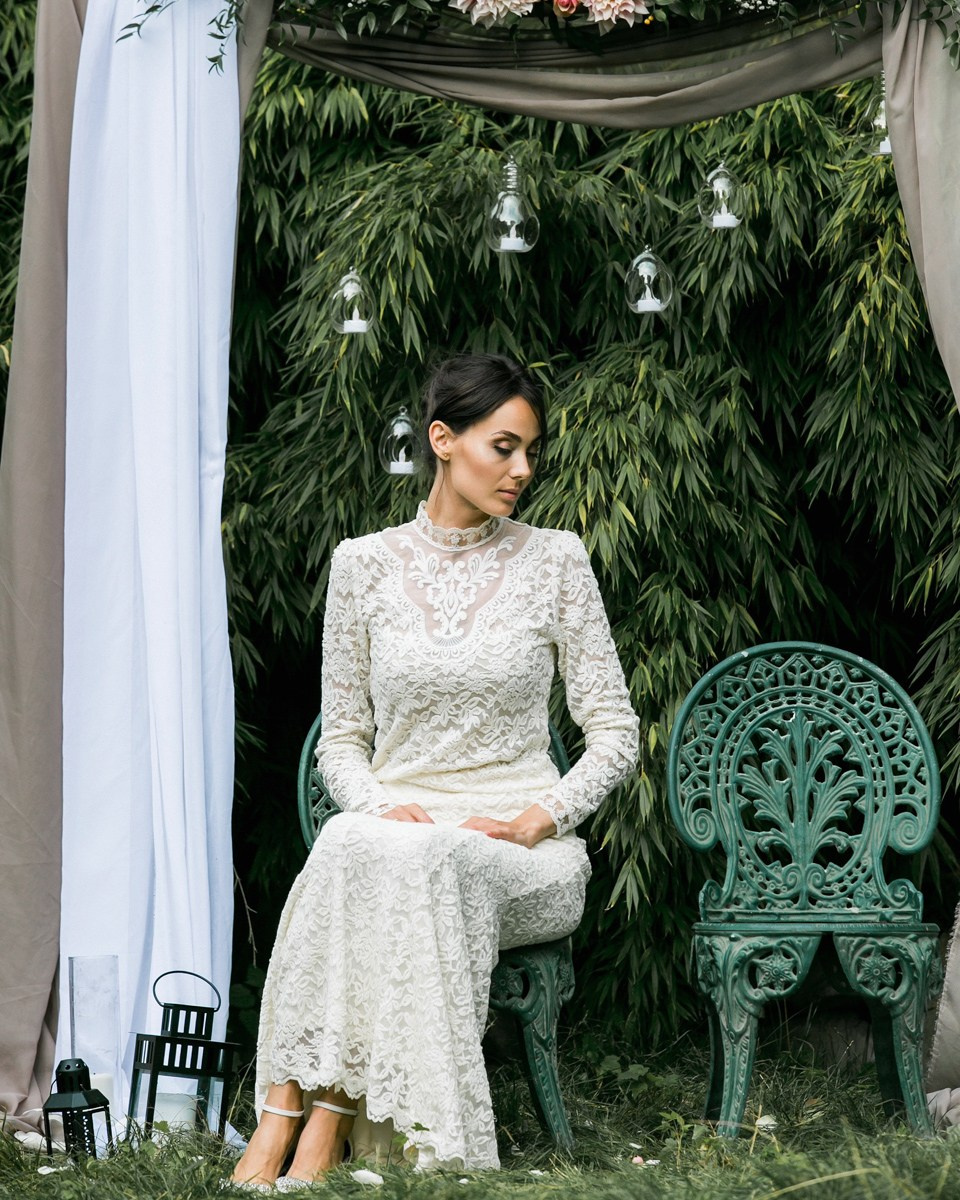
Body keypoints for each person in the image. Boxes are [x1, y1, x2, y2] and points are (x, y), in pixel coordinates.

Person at [231, 354, 639, 1188]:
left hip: (520, 852)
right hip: (399, 836)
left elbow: (615, 734)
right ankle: (293, 1120)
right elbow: (343, 739)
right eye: (504, 447)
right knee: (360, 842)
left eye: (530, 452)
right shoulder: (362, 565)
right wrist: (381, 807)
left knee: (393, 855)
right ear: (443, 440)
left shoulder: (557, 560)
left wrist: (539, 818)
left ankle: (323, 1130)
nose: (522, 470)